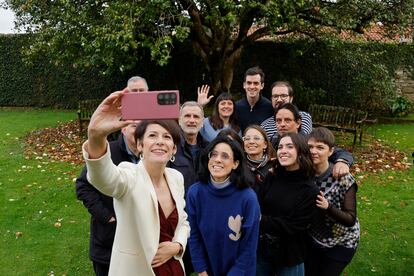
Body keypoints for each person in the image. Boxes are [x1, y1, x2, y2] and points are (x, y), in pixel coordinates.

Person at [82, 90, 189, 276]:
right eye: (152, 136)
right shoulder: (129, 175)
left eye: (167, 137)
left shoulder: (176, 178)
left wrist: (178, 245)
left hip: (172, 268)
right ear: (140, 145)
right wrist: (96, 136)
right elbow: (103, 178)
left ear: (174, 149)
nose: (160, 142)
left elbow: (183, 221)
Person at [186, 136, 261, 276]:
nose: (217, 159)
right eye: (213, 154)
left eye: (225, 156)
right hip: (207, 271)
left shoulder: (248, 198)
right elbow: (194, 235)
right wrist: (201, 269)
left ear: (235, 164)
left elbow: (249, 246)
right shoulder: (195, 193)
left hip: (240, 271)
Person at [76, 123, 140, 276]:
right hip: (108, 241)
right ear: (123, 129)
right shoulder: (105, 152)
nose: (140, 130)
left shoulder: (151, 155)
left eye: (144, 126)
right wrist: (107, 217)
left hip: (140, 242)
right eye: (134, 126)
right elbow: (83, 186)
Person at [257, 133, 319, 276]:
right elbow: (258, 205)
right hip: (262, 250)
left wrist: (260, 220)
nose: (283, 150)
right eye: (280, 147)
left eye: (290, 147)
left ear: (301, 151)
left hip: (290, 254)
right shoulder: (271, 177)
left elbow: (294, 225)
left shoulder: (310, 190)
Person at [306, 127, 360, 276]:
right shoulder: (304, 174)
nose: (313, 151)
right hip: (314, 237)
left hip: (342, 241)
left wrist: (328, 207)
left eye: (320, 147)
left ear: (331, 151)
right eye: (310, 147)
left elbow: (350, 219)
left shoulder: (342, 178)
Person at [272, 102, 353, 179]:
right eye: (278, 121)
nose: (282, 124)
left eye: (287, 120)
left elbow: (339, 152)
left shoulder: (309, 141)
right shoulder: (274, 141)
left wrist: (342, 162)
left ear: (298, 123)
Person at [197, 66, 273, 132]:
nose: (252, 86)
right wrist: (200, 106)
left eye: (256, 83)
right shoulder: (235, 107)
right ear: (244, 85)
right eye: (249, 83)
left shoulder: (269, 107)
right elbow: (212, 123)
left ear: (262, 86)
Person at [169, 101, 208, 191]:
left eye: (196, 116)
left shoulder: (210, 149)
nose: (191, 120)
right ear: (179, 120)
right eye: (187, 116)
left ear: (202, 122)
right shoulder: (170, 147)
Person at [242, 125, 276, 191]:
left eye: (256, 138)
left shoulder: (274, 165)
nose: (251, 142)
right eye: (247, 139)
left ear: (265, 144)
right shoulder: (238, 165)